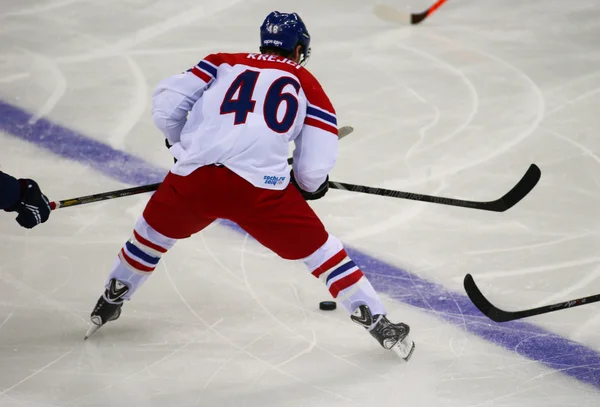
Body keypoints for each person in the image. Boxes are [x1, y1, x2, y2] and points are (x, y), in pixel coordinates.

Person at [86, 11, 415, 360]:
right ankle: (376, 320)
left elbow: (167, 104)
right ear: (299, 48)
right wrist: (309, 186)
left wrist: (182, 146)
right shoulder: (305, 80)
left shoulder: (221, 62)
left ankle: (111, 298)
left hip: (194, 180)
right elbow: (316, 160)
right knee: (323, 254)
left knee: (149, 237)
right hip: (260, 192)